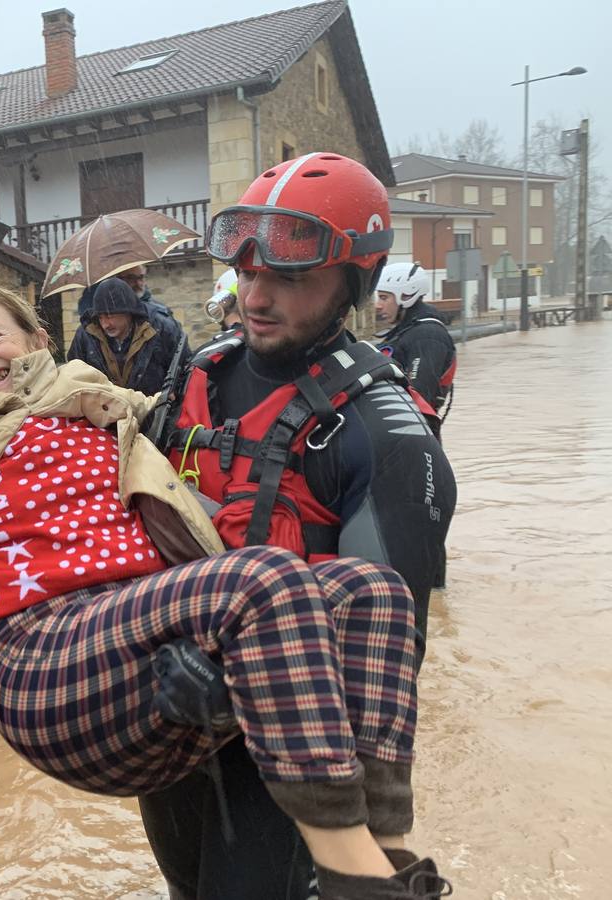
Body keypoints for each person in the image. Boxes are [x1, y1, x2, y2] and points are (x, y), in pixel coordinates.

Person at [0, 283, 451, 900]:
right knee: (267, 577)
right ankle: (361, 882)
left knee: (372, 591)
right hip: (38, 655)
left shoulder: (107, 405)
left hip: (140, 638)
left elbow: (206, 421)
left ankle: (388, 845)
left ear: (37, 340)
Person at [143, 152, 458, 900]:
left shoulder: (383, 435)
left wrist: (237, 686)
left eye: (287, 277)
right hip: (172, 725)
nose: (255, 295)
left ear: (354, 282)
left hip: (287, 763)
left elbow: (386, 664)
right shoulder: (199, 376)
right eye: (247, 272)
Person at [66, 277, 189, 396]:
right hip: (104, 414)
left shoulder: (161, 328)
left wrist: (174, 395)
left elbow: (186, 369)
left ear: (128, 312)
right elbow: (73, 377)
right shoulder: (85, 335)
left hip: (157, 413)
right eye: (100, 317)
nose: (105, 324)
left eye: (110, 316)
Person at [374, 262, 457, 418]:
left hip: (407, 433)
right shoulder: (405, 332)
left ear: (406, 297)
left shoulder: (427, 337)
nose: (378, 305)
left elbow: (419, 395)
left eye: (384, 298)